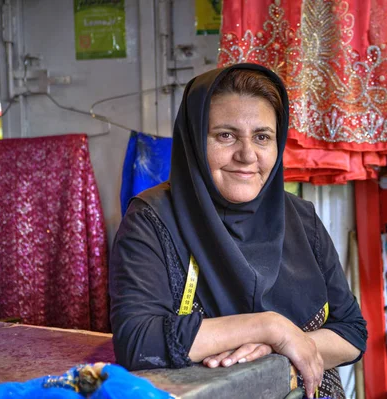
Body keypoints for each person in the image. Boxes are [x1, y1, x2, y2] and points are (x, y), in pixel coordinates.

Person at [109, 63, 367, 399]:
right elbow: (138, 342)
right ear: (194, 139)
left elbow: (352, 333)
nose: (247, 155)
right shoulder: (152, 220)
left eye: (262, 137)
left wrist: (275, 353)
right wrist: (270, 327)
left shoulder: (302, 219)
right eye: (225, 135)